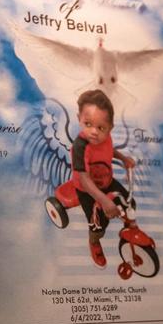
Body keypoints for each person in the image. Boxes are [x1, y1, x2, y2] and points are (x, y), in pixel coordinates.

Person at [70, 89, 135, 268]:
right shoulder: (80, 147)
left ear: (110, 127)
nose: (94, 132)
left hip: (106, 181)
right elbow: (83, 178)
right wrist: (104, 201)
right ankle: (94, 241)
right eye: (88, 124)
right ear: (79, 118)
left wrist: (123, 159)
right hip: (88, 189)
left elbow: (109, 150)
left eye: (101, 128)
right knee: (98, 222)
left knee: (130, 203)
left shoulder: (106, 138)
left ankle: (129, 227)